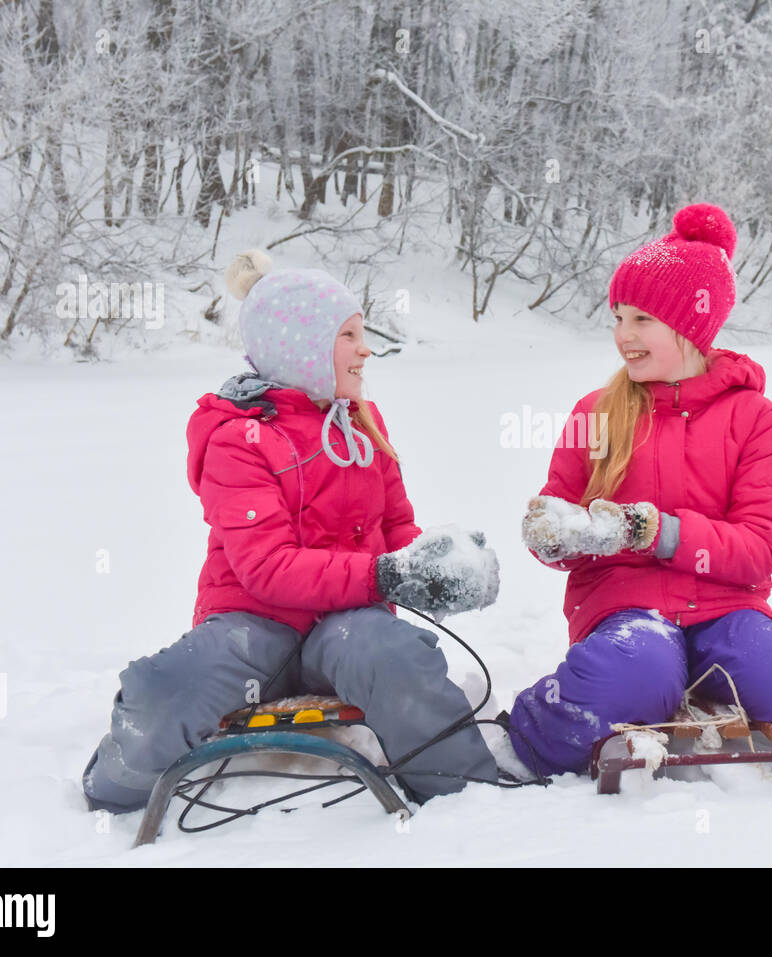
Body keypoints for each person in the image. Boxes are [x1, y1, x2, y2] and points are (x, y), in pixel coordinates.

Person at [499, 204, 772, 779]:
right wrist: (552, 532)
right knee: (632, 678)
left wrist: (656, 532)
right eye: (617, 317)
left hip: (726, 609)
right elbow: (558, 526)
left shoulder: (753, 416)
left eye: (641, 319)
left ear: (688, 326)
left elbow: (760, 545)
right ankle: (525, 732)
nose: (622, 336)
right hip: (625, 609)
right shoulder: (597, 413)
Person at [82, 250, 500, 812]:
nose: (365, 349)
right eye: (349, 336)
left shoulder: (362, 426)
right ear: (301, 347)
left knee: (396, 656)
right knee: (171, 684)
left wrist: (435, 568)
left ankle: (469, 801)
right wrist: (385, 574)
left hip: (350, 627)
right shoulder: (240, 439)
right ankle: (117, 786)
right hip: (254, 625)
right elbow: (267, 568)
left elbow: (398, 529)